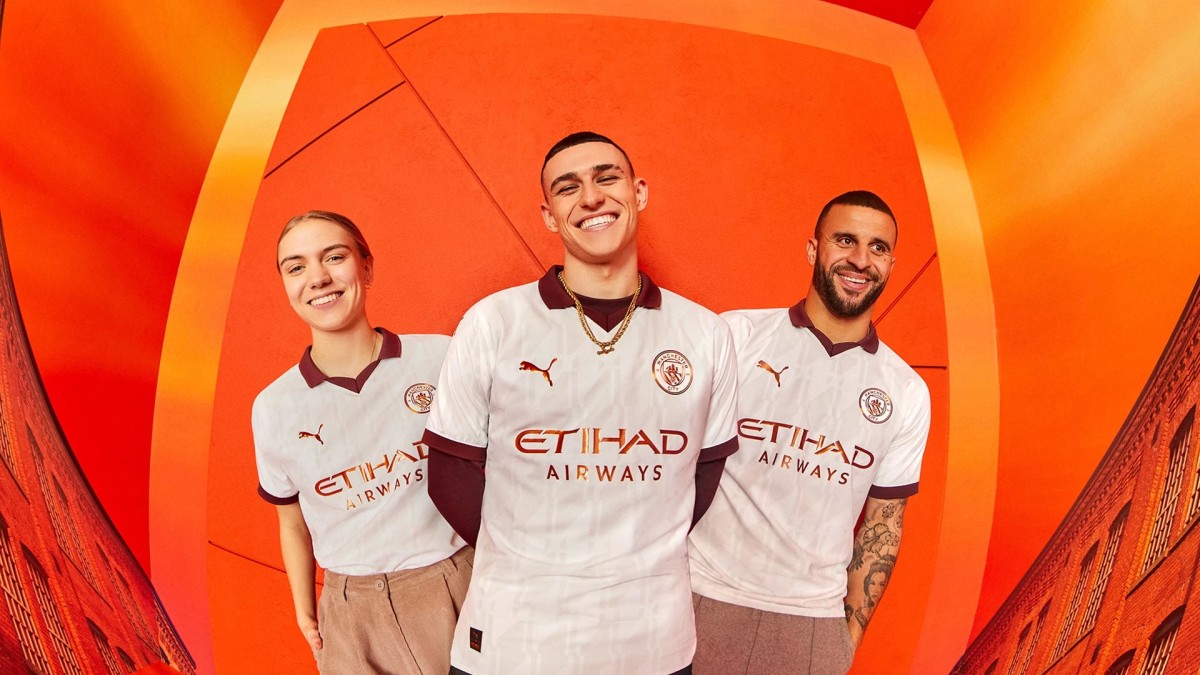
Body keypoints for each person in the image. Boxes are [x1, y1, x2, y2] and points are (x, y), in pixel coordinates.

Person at [423, 132, 739, 675]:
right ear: (549, 216)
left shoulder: (706, 333)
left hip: (651, 641)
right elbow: (449, 474)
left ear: (639, 192)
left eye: (606, 178)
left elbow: (703, 476)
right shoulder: (493, 322)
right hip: (514, 640)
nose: (591, 197)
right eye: (568, 188)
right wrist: (534, 559)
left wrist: (624, 561)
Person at [688, 191, 931, 674]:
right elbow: (662, 463)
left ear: (890, 264)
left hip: (812, 627)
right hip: (699, 594)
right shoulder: (735, 336)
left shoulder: (906, 390)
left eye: (878, 248)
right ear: (813, 249)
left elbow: (883, 526)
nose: (860, 260)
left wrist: (844, 644)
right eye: (845, 240)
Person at [251, 210, 471, 674]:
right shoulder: (272, 408)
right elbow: (292, 520)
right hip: (352, 613)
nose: (317, 278)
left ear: (366, 267)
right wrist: (305, 612)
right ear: (286, 285)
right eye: (296, 267)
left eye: (334, 257)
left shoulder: (440, 356)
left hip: (458, 580)